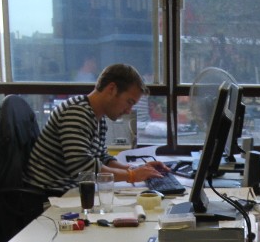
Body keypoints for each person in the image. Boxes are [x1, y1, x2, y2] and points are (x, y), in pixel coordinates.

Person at [21, 64, 169, 203]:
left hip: (66, 191)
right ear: (112, 89)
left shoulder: (97, 115)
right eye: (129, 102)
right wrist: (132, 176)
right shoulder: (76, 113)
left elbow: (102, 158)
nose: (128, 110)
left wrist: (134, 169)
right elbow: (83, 169)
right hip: (47, 196)